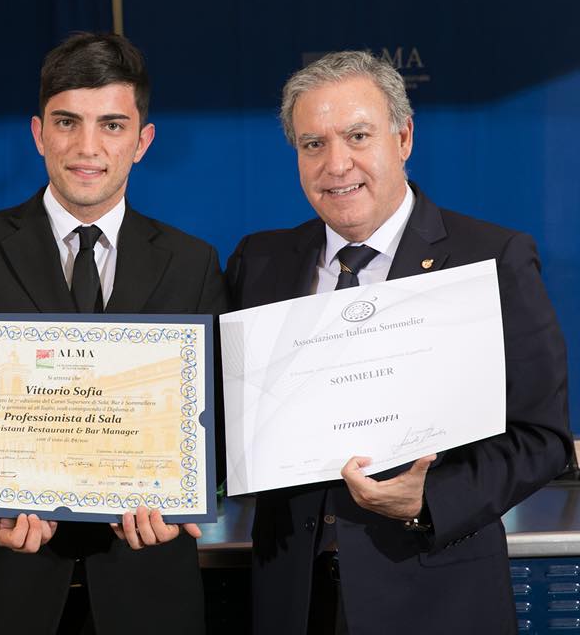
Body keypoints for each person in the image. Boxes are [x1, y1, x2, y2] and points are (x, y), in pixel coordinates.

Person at [226, 50, 571, 635]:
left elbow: (543, 438)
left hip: (436, 596)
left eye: (358, 136)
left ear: (403, 137)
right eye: (313, 144)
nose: (337, 164)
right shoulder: (259, 261)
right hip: (292, 600)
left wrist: (429, 500)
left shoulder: (490, 257)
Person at [0, 32, 226, 635]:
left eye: (112, 125)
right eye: (67, 122)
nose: (88, 147)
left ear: (143, 141)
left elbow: (211, 425)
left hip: (145, 585)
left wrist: (185, 494)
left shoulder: (194, 263)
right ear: (37, 133)